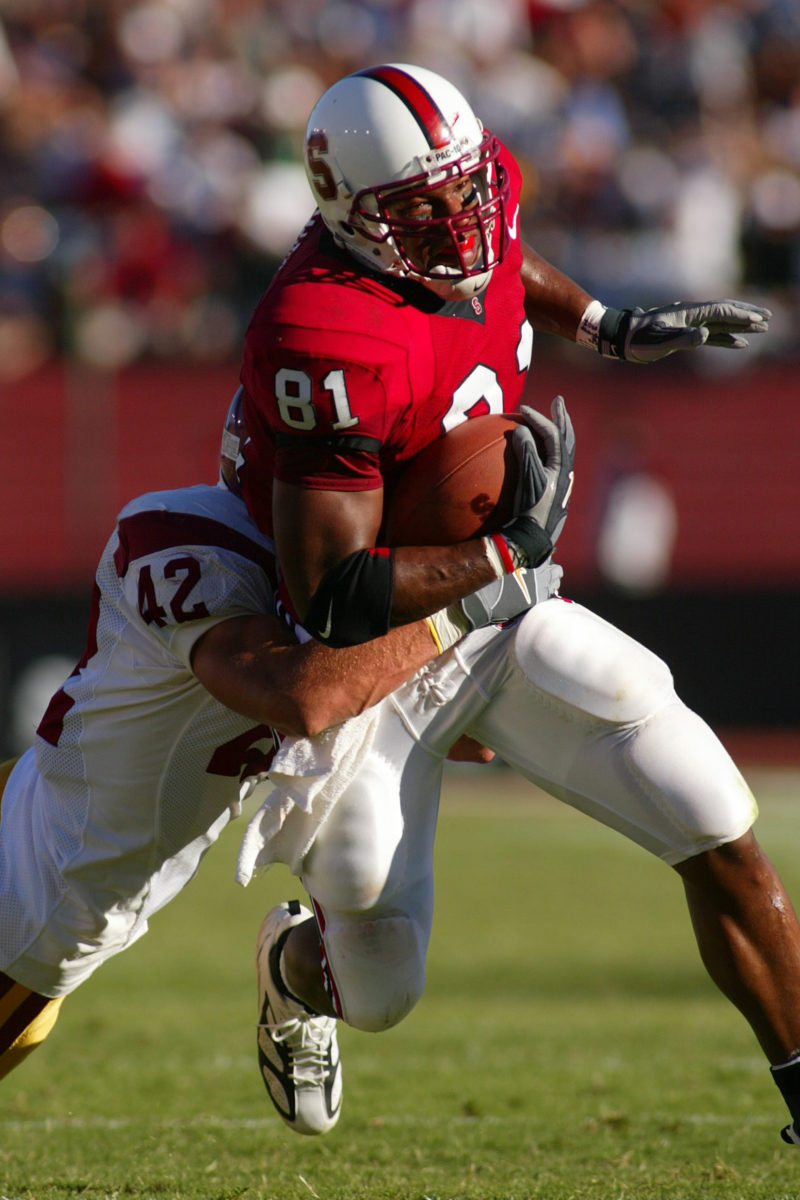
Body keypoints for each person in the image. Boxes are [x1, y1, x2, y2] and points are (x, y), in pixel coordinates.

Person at [228, 63, 800, 1149]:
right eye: (423, 208)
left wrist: (601, 320)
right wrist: (506, 547)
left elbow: (498, 262)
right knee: (382, 983)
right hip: (370, 652)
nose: (461, 221)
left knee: (709, 808)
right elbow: (334, 594)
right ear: (352, 216)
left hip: (496, 612)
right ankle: (294, 970)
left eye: (466, 189)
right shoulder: (322, 330)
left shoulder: (466, 205)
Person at [0, 402, 545, 1083]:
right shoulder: (186, 540)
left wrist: (465, 590)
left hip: (37, 813)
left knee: (382, 968)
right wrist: (467, 596)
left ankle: (292, 975)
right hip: (41, 894)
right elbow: (304, 695)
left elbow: (467, 740)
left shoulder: (354, 587)